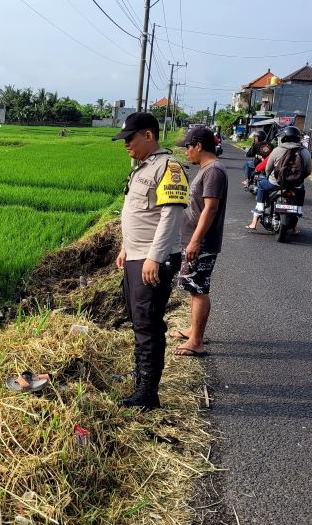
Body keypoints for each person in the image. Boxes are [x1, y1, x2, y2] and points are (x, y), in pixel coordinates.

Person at [113, 112, 189, 410]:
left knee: (148, 323)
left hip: (151, 259)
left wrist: (154, 258)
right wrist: (125, 247)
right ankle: (140, 377)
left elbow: (171, 217)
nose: (125, 145)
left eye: (129, 138)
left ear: (148, 135)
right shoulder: (142, 167)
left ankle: (148, 392)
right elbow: (136, 213)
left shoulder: (169, 168)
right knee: (137, 319)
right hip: (135, 255)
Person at [170, 127, 228, 357]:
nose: (186, 152)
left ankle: (196, 342)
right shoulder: (208, 169)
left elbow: (210, 208)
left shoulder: (213, 171)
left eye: (187, 147)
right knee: (193, 288)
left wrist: (195, 241)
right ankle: (193, 331)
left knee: (198, 289)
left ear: (199, 146)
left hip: (200, 243)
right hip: (195, 240)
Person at [246, 125, 312, 230]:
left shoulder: (277, 150)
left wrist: (268, 177)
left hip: (275, 182)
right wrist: (298, 180)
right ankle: (298, 210)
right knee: (301, 190)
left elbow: (268, 168)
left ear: (284, 137)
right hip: (296, 184)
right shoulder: (305, 152)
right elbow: (308, 171)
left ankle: (259, 209)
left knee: (262, 185)